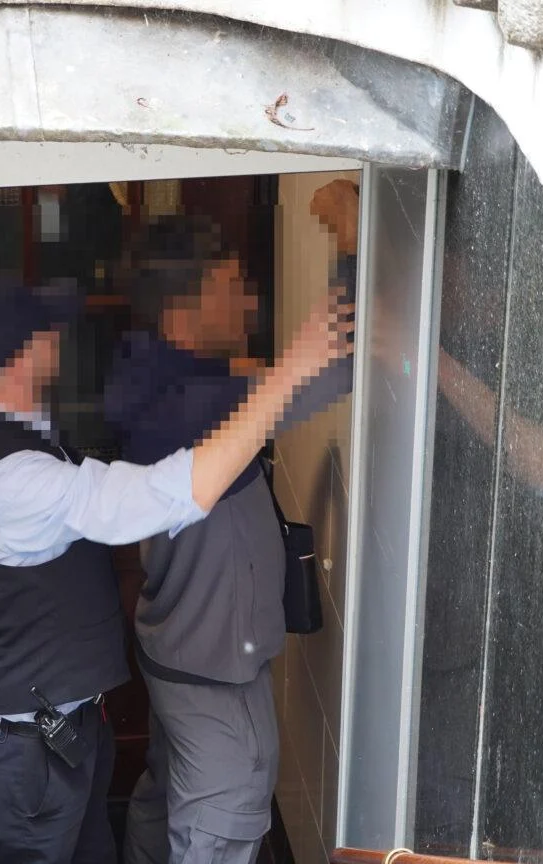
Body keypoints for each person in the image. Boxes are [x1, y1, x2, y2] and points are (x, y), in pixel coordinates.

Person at [0, 277, 353, 864]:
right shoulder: (12, 479)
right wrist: (291, 370)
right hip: (21, 755)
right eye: (48, 330)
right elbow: (164, 496)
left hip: (48, 730)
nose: (60, 339)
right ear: (26, 354)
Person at [104, 185, 358, 864]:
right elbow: (340, 364)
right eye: (235, 286)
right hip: (214, 676)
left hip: (177, 648)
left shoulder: (155, 372)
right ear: (185, 307)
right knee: (221, 822)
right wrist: (352, 237)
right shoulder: (199, 405)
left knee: (166, 796)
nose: (251, 303)